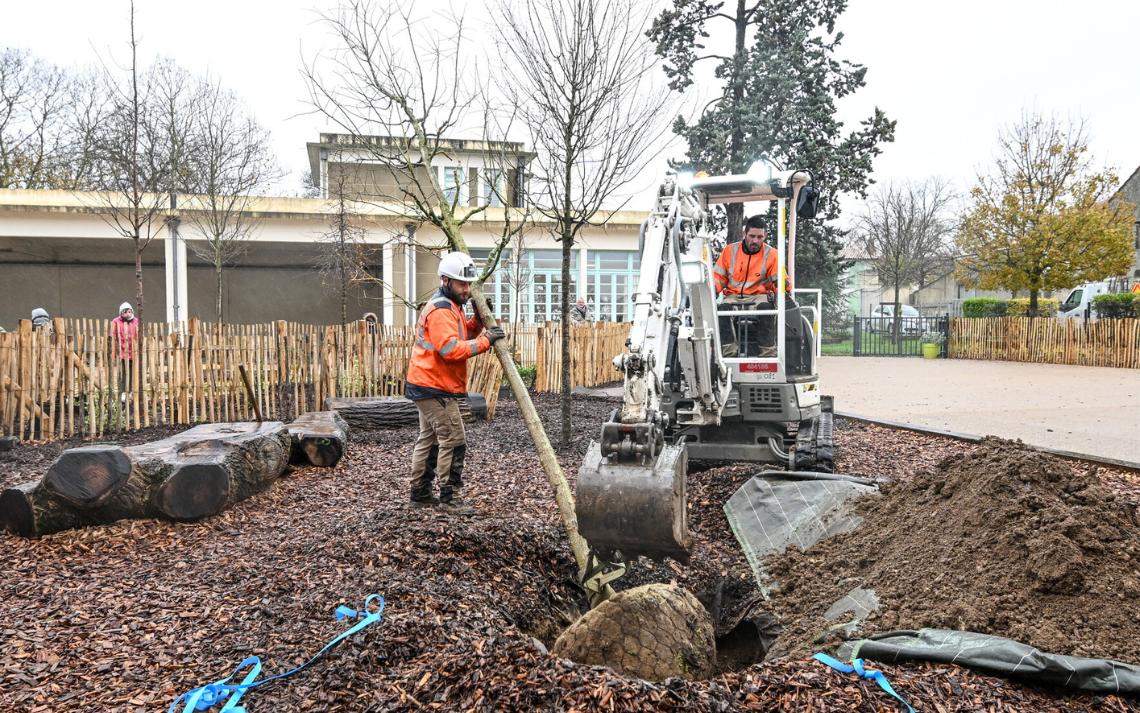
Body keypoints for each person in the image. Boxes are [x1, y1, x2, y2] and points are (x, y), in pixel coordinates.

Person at [405, 252, 506, 512]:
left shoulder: (452, 306)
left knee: (429, 439)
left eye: (468, 284)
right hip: (434, 385)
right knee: (454, 438)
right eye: (462, 283)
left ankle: (420, 494)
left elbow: (461, 334)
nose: (467, 289)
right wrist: (486, 341)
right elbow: (451, 349)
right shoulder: (441, 310)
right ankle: (450, 498)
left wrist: (479, 322)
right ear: (445, 280)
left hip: (427, 383)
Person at [712, 215, 789, 357]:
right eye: (752, 236)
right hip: (733, 296)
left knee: (767, 310)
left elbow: (779, 280)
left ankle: (768, 354)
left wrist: (783, 289)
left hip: (759, 296)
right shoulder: (730, 251)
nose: (755, 241)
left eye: (760, 237)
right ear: (744, 234)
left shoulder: (772, 254)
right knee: (722, 310)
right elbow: (718, 278)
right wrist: (712, 290)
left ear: (765, 235)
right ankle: (729, 354)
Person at [111, 302, 139, 397]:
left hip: (134, 351)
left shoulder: (136, 321)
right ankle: (123, 391)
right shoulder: (116, 321)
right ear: (121, 313)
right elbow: (113, 337)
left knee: (133, 372)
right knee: (123, 372)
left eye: (129, 311)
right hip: (122, 352)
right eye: (125, 312)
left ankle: (131, 391)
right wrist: (114, 353)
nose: (127, 314)